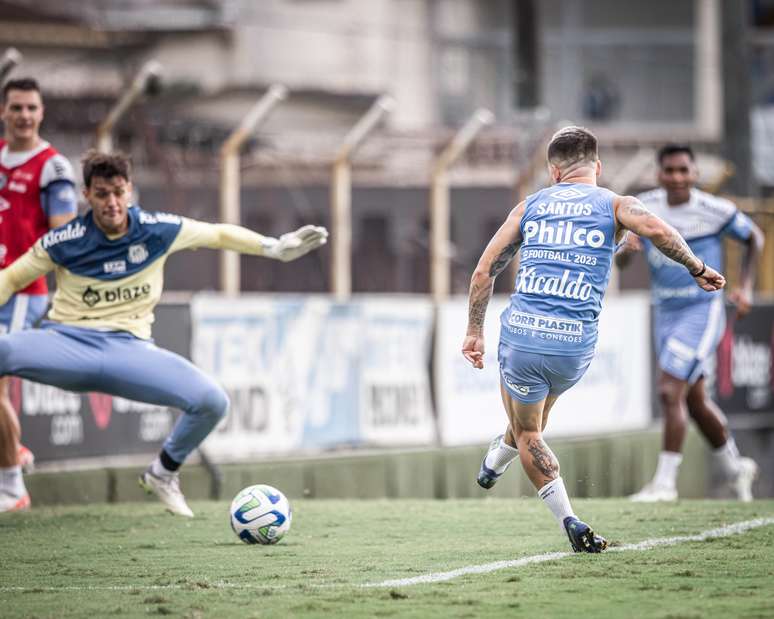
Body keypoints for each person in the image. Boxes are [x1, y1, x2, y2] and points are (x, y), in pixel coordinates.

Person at [0, 150, 328, 517]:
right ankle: (10, 482)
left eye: (118, 192)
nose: (112, 202)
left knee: (212, 401)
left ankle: (162, 473)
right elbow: (12, 278)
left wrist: (272, 247)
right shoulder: (65, 239)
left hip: (129, 351)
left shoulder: (157, 229)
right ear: (87, 195)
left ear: (130, 192)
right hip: (66, 345)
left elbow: (217, 234)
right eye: (102, 193)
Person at [462, 127, 725, 553]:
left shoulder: (529, 206)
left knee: (529, 431)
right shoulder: (616, 204)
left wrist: (474, 331)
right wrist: (696, 267)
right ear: (597, 167)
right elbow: (658, 230)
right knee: (535, 423)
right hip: (574, 347)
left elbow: (483, 272)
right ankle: (495, 459)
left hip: (524, 337)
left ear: (553, 171)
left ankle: (568, 517)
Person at [617, 144, 764, 502]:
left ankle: (665, 483)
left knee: (669, 391)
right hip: (665, 312)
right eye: (670, 171)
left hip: (702, 309)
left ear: (695, 174)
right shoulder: (643, 207)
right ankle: (735, 467)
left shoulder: (713, 209)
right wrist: (626, 249)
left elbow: (753, 238)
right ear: (659, 174)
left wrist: (745, 288)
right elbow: (619, 265)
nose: (678, 177)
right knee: (694, 401)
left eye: (684, 170)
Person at [0, 78, 78, 512]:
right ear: (4, 112)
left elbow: (63, 237)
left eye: (32, 107)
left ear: (42, 112)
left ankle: (12, 487)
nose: (24, 115)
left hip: (24, 290)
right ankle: (15, 449)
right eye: (17, 107)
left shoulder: (53, 167)